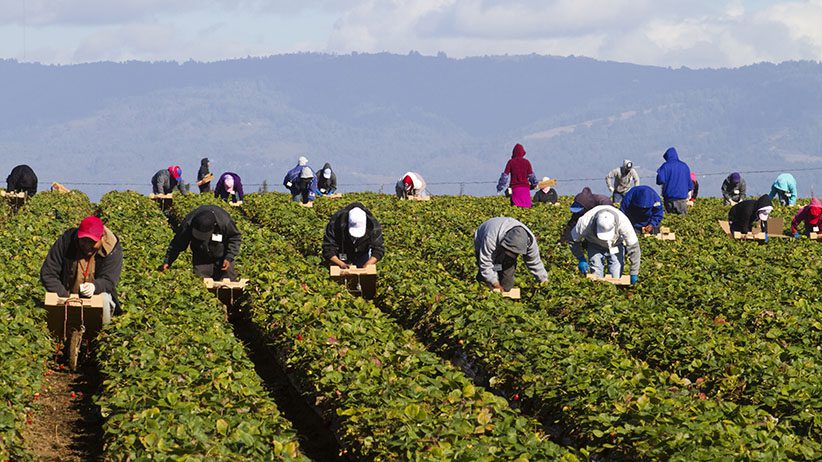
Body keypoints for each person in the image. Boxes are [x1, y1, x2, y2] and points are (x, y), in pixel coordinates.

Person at [40, 216, 122, 323]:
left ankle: (102, 334)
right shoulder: (67, 241)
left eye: (92, 242)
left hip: (96, 296)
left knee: (105, 300)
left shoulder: (112, 249)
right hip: (67, 294)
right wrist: (66, 296)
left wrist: (95, 287)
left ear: (101, 238)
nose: (87, 246)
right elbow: (48, 273)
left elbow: (109, 280)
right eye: (83, 240)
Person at [162, 205, 241, 281]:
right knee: (201, 284)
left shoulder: (224, 221)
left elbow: (234, 237)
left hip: (223, 256)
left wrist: (229, 257)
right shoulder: (188, 223)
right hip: (201, 258)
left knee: (228, 284)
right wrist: (168, 261)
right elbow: (178, 243)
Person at [570, 206, 640, 284]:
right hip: (594, 244)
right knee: (596, 275)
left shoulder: (623, 222)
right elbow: (573, 241)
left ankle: (614, 292)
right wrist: (581, 258)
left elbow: (634, 249)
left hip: (615, 245)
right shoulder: (585, 222)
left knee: (615, 276)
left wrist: (634, 272)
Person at [474, 217, 548, 291]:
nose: (510, 255)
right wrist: (495, 284)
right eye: (509, 251)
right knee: (488, 276)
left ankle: (506, 292)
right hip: (483, 238)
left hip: (499, 236)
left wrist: (544, 281)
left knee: (507, 269)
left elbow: (535, 263)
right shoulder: (490, 238)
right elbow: (486, 264)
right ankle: (482, 288)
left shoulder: (530, 242)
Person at [322, 202, 384, 268]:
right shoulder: (336, 222)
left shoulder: (373, 225)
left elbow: (378, 248)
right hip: (342, 251)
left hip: (362, 252)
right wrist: (341, 264)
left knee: (363, 271)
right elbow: (328, 247)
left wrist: (368, 263)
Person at [496, 143, 537, 208]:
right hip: (525, 189)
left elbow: (505, 176)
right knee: (526, 208)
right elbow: (531, 176)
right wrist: (534, 184)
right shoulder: (527, 162)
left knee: (516, 208)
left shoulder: (511, 162)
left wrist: (500, 188)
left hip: (515, 189)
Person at [655, 147, 692, 215]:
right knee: (682, 221)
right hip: (682, 199)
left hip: (669, 199)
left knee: (670, 220)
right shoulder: (684, 166)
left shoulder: (665, 166)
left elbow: (660, 180)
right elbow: (690, 185)